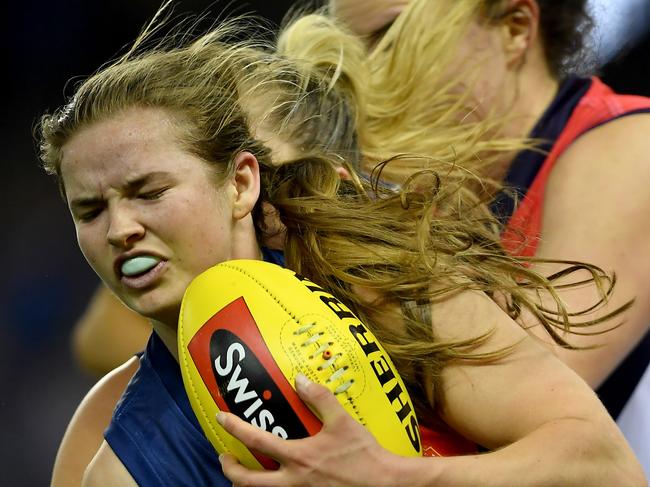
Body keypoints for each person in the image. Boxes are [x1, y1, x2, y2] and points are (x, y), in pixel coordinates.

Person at [41, 7, 645, 487]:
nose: (119, 228)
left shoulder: (381, 280)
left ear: (243, 181)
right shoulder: (120, 456)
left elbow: (607, 469)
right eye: (88, 211)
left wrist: (395, 479)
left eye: (149, 191)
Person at [328, 0, 650, 473]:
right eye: (350, 50)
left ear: (515, 28)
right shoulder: (433, 199)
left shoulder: (631, 147)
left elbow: (526, 386)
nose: (363, 78)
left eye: (391, 39)